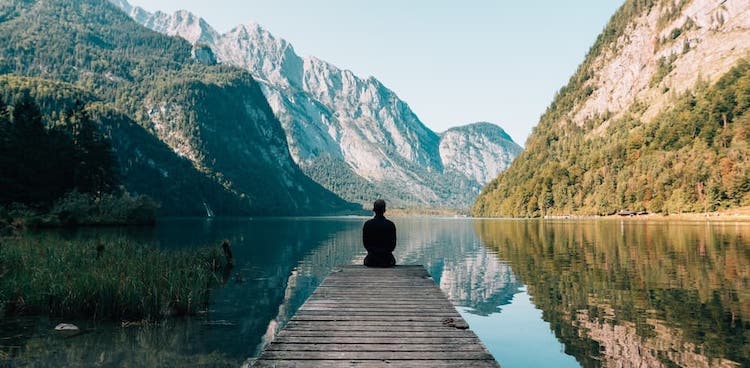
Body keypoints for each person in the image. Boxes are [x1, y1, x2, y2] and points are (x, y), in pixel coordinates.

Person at [362, 199, 396, 267]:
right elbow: (393, 245)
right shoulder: (390, 225)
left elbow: (365, 244)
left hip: (371, 261)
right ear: (384, 210)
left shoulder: (367, 224)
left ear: (374, 210)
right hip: (387, 261)